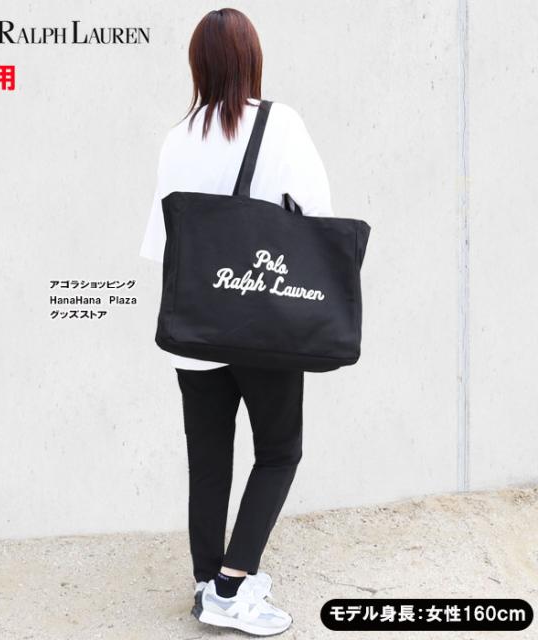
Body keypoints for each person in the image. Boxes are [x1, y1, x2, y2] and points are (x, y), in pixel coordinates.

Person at [139, 8, 337, 636]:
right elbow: (318, 216)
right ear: (252, 60)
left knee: (208, 460)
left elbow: (162, 245)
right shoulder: (281, 125)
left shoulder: (176, 138)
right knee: (278, 452)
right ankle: (231, 585)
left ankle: (207, 582)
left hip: (194, 327)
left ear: (197, 64)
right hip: (262, 326)